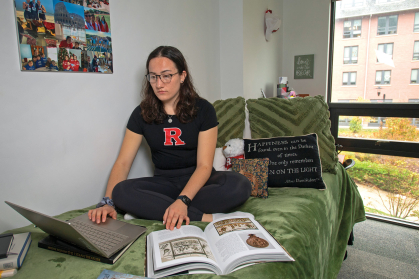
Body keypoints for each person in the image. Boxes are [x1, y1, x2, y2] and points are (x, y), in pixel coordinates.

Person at [88, 46, 251, 231]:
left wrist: (183, 200)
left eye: (166, 75)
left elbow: (204, 166)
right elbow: (123, 163)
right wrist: (107, 202)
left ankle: (157, 208)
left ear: (182, 76)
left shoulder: (204, 110)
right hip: (164, 183)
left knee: (240, 185)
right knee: (121, 192)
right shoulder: (140, 114)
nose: (159, 84)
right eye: (153, 76)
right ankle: (205, 217)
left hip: (200, 181)